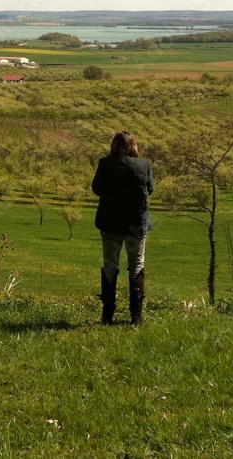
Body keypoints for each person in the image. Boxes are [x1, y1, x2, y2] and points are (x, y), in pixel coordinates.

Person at [91, 131, 154, 325]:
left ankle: (107, 315)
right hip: (136, 225)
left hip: (110, 224)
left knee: (110, 266)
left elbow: (96, 189)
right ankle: (136, 316)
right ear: (133, 146)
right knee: (136, 266)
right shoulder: (144, 165)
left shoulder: (105, 164)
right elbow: (149, 189)